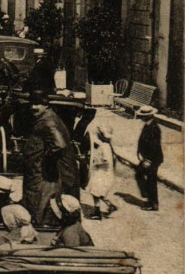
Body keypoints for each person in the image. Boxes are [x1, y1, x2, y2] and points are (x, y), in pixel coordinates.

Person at [21, 90, 79, 225]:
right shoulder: (47, 117)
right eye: (32, 104)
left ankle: (40, 223)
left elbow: (60, 145)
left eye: (38, 104)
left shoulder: (48, 121)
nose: (33, 107)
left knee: (41, 197)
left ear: (46, 105)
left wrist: (45, 160)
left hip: (44, 173)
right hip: (42, 170)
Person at [85, 124, 117, 220]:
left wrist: (96, 163)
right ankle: (110, 206)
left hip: (102, 174)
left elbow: (106, 160)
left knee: (96, 193)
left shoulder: (104, 146)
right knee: (98, 193)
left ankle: (97, 212)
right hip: (104, 173)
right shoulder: (107, 145)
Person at [135, 105, 163, 211]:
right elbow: (142, 140)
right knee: (139, 174)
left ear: (150, 116)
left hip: (153, 159)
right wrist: (139, 152)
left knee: (151, 180)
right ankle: (148, 198)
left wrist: (148, 160)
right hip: (146, 158)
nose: (142, 117)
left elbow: (154, 147)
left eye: (144, 115)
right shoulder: (147, 125)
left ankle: (153, 204)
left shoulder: (154, 128)